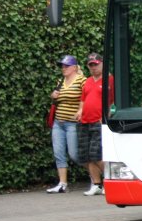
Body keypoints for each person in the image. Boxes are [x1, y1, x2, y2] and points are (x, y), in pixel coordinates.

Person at [47, 55, 86, 193]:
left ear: (74, 67)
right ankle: (62, 184)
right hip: (59, 123)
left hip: (73, 124)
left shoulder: (82, 80)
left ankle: (96, 178)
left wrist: (81, 110)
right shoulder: (60, 81)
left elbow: (88, 97)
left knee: (75, 154)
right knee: (59, 154)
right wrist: (53, 96)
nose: (63, 68)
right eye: (62, 66)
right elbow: (57, 100)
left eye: (66, 66)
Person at [79, 52, 112, 196]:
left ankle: (110, 179)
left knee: (96, 154)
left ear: (102, 64)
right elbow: (83, 100)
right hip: (85, 121)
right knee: (86, 156)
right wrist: (80, 111)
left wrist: (107, 117)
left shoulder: (109, 79)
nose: (93, 67)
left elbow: (113, 101)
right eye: (91, 65)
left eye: (96, 64)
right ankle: (97, 184)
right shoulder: (87, 81)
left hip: (99, 121)